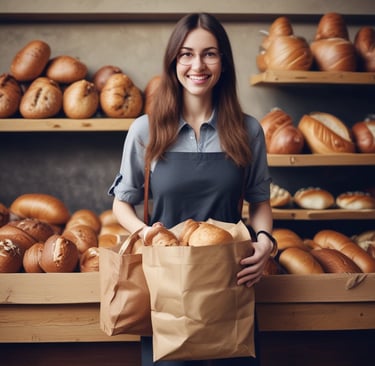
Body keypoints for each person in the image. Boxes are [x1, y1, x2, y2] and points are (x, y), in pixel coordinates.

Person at [109, 12, 275, 366]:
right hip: (167, 289)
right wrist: (146, 233)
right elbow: (122, 204)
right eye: (186, 54)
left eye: (209, 53)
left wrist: (265, 243)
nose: (197, 64)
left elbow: (260, 201)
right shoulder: (145, 131)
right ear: (173, 63)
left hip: (231, 283)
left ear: (223, 63)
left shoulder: (248, 131)